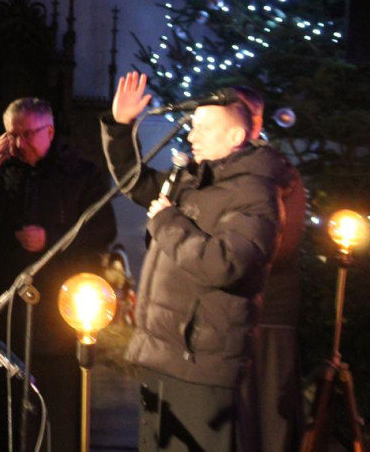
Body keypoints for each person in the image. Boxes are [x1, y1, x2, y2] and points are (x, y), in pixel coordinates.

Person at [101, 72, 281, 452]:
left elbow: (225, 264)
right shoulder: (194, 178)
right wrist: (120, 128)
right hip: (163, 357)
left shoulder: (254, 193)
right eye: (192, 127)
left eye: (203, 128)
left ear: (236, 136)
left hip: (202, 366)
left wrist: (167, 221)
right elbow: (135, 183)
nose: (192, 137)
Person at [0, 97, 117, 452]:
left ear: (50, 131)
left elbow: (103, 230)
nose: (18, 144)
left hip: (56, 308)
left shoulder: (80, 172)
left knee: (51, 397)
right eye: (12, 134)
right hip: (3, 303)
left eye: (27, 134)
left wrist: (50, 240)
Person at [233, 85, 307, 452]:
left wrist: (222, 258)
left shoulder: (280, 172)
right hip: (226, 313)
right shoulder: (209, 169)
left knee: (269, 410)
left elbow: (284, 246)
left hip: (269, 310)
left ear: (256, 121)